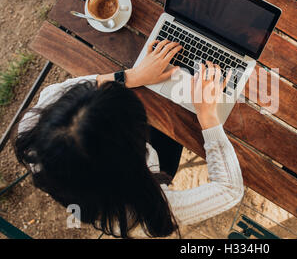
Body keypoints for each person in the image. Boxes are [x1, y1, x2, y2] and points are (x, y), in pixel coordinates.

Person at [14, 39, 244, 238]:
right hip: (148, 169)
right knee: (174, 122)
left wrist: (130, 76)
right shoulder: (137, 212)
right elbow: (229, 189)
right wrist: (207, 115)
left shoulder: (35, 123)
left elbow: (65, 89)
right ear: (134, 152)